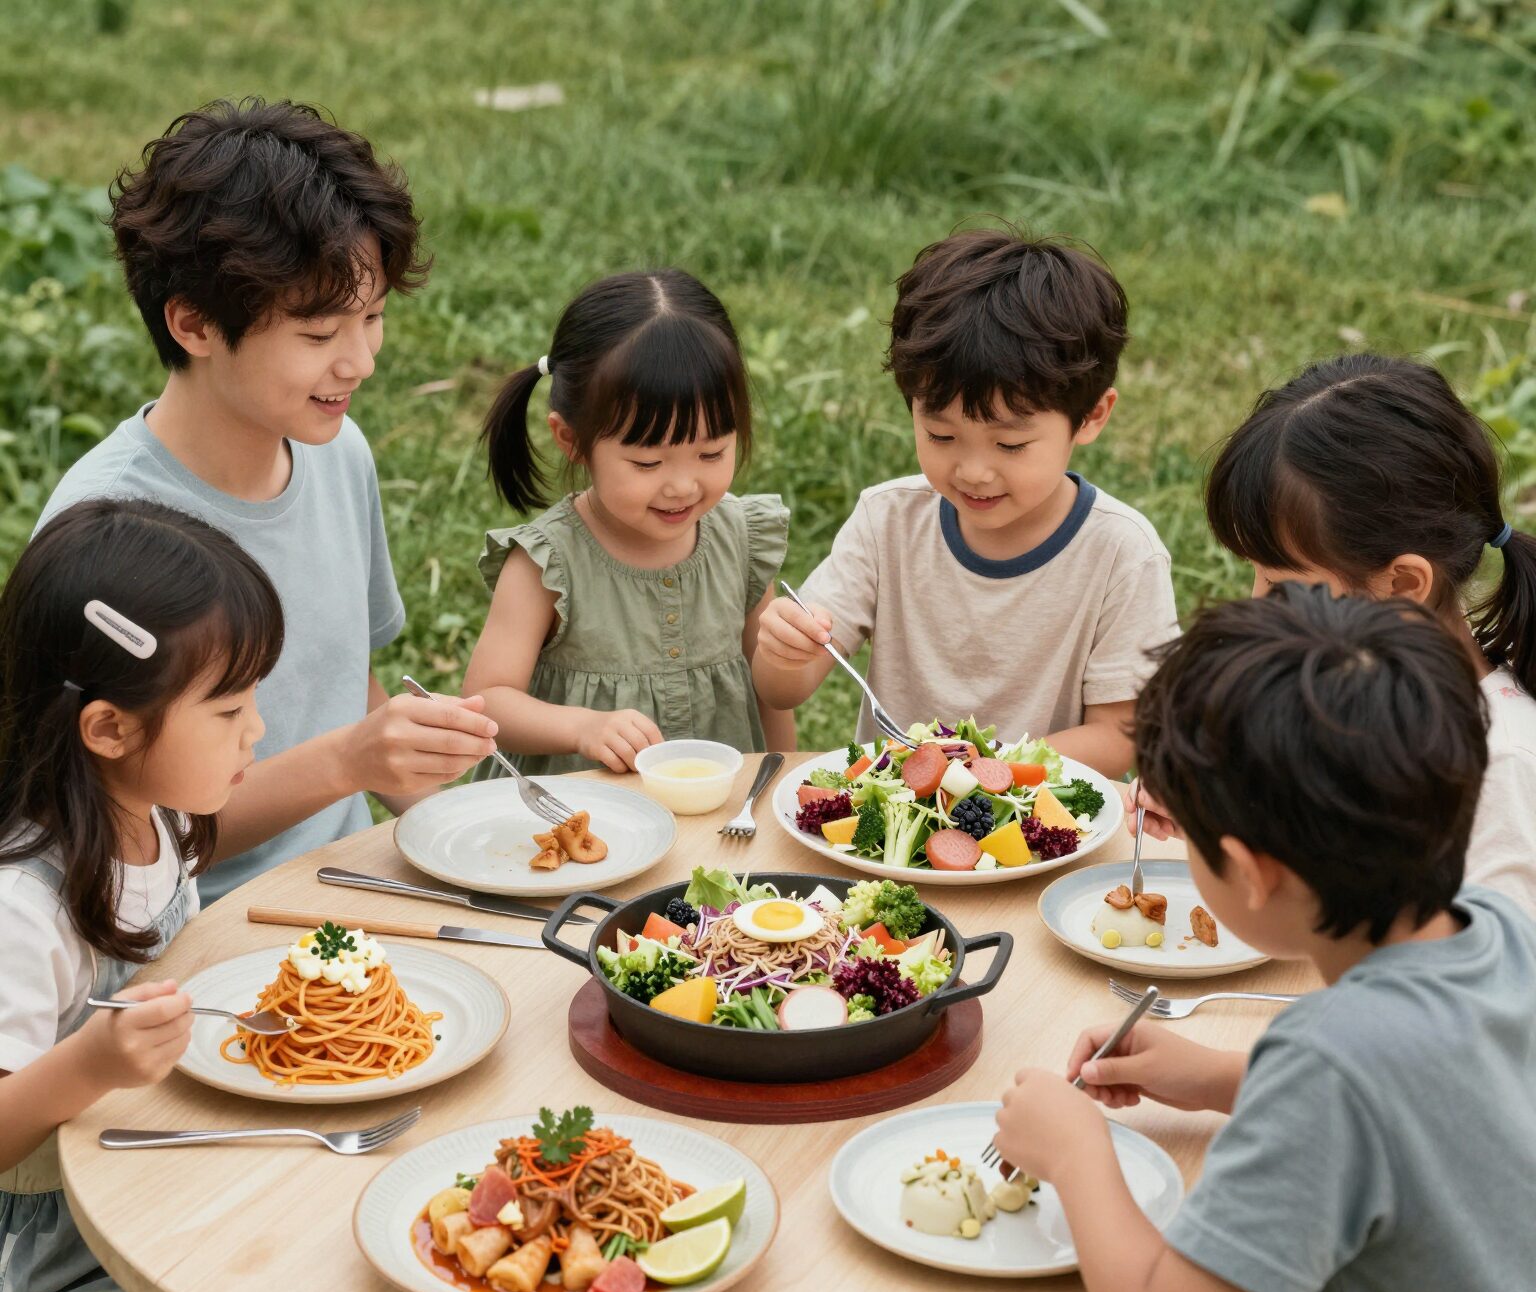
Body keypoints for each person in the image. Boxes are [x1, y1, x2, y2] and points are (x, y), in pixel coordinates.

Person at [994, 582, 1536, 1292]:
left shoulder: (1327, 1060)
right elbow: (1437, 1102)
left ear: (1249, 873)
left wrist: (1078, 1151)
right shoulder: (1502, 933)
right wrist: (1216, 1078)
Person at [0, 499, 476, 1292]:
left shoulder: (145, 808)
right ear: (108, 728)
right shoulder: (20, 906)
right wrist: (86, 1064)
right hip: (58, 1288)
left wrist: (350, 760)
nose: (259, 729)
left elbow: (208, 835)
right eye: (230, 711)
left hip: (175, 1183)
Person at [37, 98, 499, 904]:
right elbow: (106, 839)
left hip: (360, 876)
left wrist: (474, 838)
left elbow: (343, 679)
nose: (359, 361)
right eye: (319, 336)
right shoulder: (106, 533)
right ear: (194, 324)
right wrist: (348, 760)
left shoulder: (336, 451)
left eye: (375, 317)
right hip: (196, 928)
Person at [751, 228, 1177, 779]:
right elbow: (781, 691)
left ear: (1092, 415)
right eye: (942, 436)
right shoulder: (889, 522)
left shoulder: (1122, 553)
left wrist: (979, 770)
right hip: (892, 840)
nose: (973, 471)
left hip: (1043, 832)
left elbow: (1120, 737)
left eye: (1011, 444)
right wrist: (786, 651)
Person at [1131, 352, 1536, 914]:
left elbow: (1496, 984)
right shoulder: (1357, 693)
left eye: (1281, 584)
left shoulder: (1502, 770)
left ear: (1401, 584)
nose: (1255, 602)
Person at [463, 268, 793, 776]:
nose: (682, 486)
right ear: (571, 440)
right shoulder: (548, 563)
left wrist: (781, 777)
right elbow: (487, 699)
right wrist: (583, 728)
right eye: (647, 463)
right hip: (578, 827)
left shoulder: (741, 539)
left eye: (711, 452)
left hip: (717, 818)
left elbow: (770, 691)